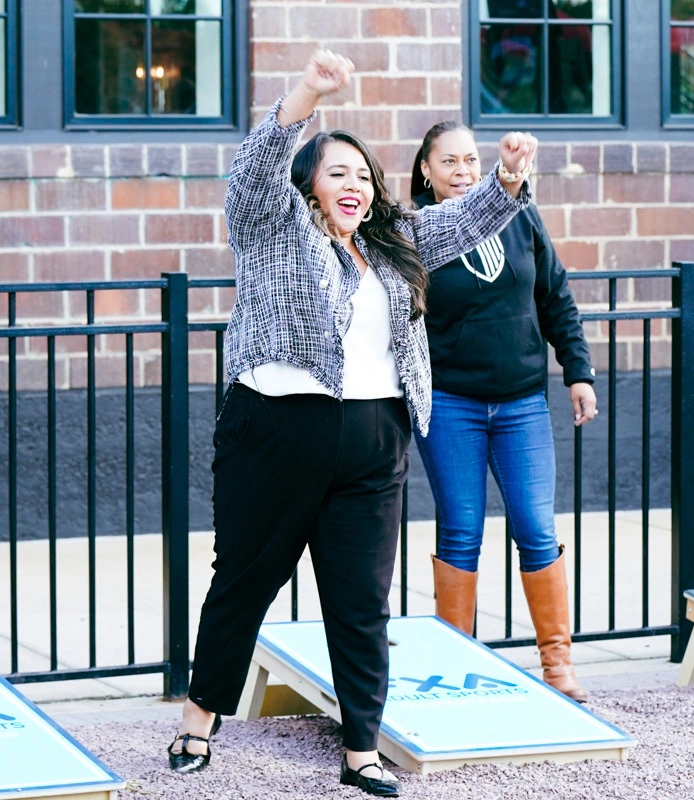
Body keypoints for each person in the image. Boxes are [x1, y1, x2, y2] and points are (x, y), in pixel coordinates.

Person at [166, 50, 537, 797]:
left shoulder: (389, 246)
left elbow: (458, 222)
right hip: (274, 432)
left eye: (363, 175)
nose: (355, 185)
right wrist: (308, 94)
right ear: (307, 185)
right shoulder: (272, 227)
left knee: (363, 600)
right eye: (338, 173)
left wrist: (505, 180)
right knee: (245, 580)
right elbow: (255, 170)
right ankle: (200, 716)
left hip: (373, 440)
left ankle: (361, 748)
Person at [409, 121, 597, 702]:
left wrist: (579, 373)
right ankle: (454, 668)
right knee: (462, 532)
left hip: (521, 404)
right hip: (451, 406)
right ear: (425, 171)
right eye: (449, 162)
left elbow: (555, 297)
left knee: (537, 530)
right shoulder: (415, 233)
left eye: (470, 160)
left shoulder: (521, 217)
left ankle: (558, 664)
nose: (462, 171)